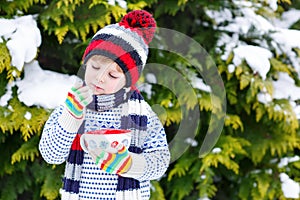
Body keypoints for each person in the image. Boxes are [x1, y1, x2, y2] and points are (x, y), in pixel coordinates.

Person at [39, 10, 170, 200]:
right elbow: (51, 155)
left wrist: (131, 164)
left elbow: (160, 160)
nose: (99, 78)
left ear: (128, 80)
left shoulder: (143, 114)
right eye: (95, 67)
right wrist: (71, 118)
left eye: (112, 75)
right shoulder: (74, 104)